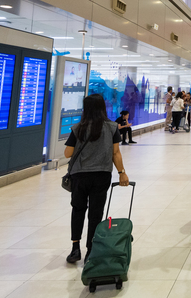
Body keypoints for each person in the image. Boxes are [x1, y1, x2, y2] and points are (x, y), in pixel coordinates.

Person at [64, 94, 130, 264]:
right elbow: (116, 153)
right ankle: (91, 250)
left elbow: (68, 153)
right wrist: (122, 172)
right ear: (103, 107)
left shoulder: (78, 128)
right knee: (96, 212)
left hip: (80, 175)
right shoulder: (112, 127)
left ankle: (75, 248)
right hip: (102, 175)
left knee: (78, 209)